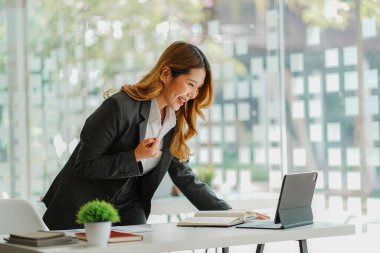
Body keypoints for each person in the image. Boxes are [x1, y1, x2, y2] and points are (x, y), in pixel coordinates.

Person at [42, 41, 231, 229]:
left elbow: (185, 177)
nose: (193, 94)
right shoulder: (119, 108)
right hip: (81, 208)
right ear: (166, 74)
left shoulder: (173, 122)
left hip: (129, 209)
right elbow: (84, 165)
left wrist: (231, 215)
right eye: (190, 84)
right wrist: (135, 157)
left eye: (197, 88)